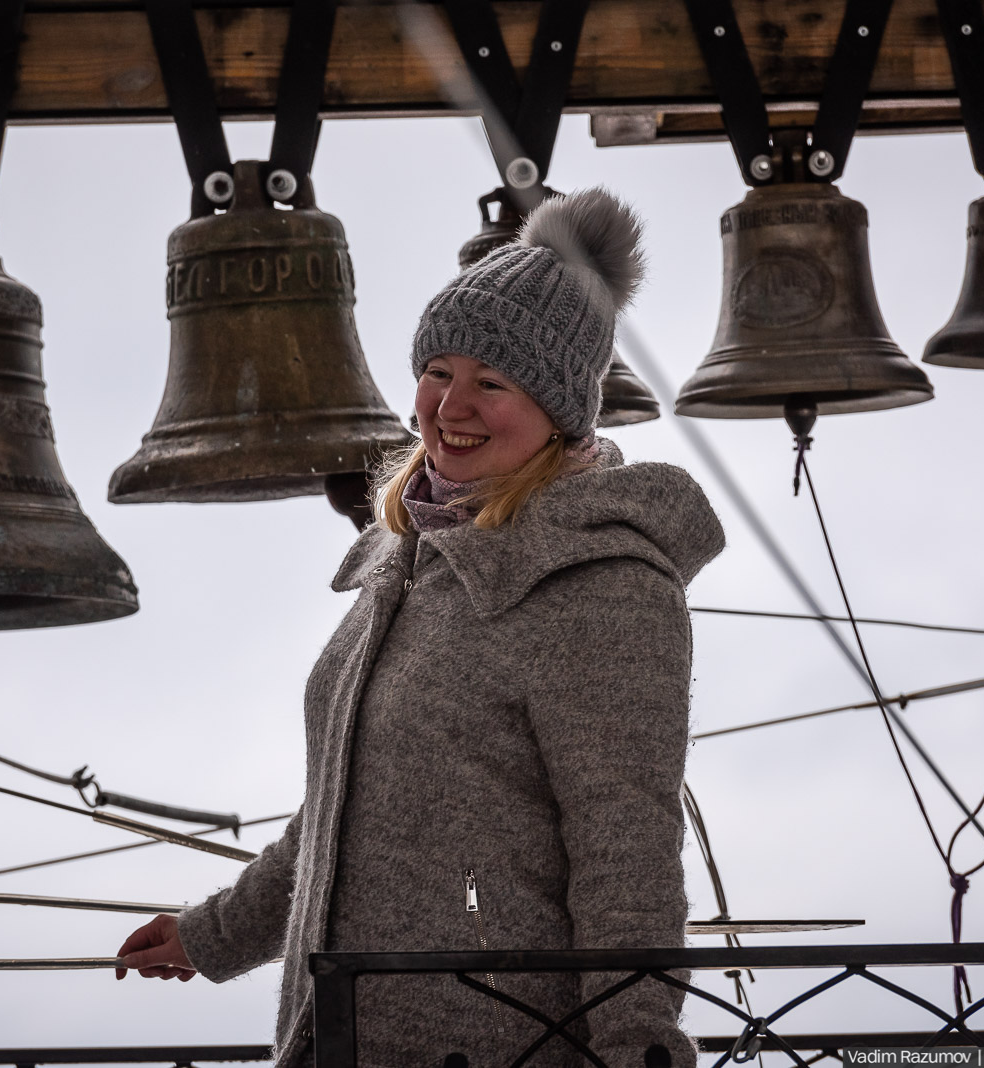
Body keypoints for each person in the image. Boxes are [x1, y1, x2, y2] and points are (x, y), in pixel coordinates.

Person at [115, 187, 724, 1067]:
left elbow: (624, 847)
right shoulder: (413, 558)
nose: (452, 405)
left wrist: (637, 1047)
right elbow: (346, 810)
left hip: (494, 1045)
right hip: (347, 1033)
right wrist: (213, 935)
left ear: (561, 411)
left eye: (493, 382)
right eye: (439, 370)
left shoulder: (600, 583)